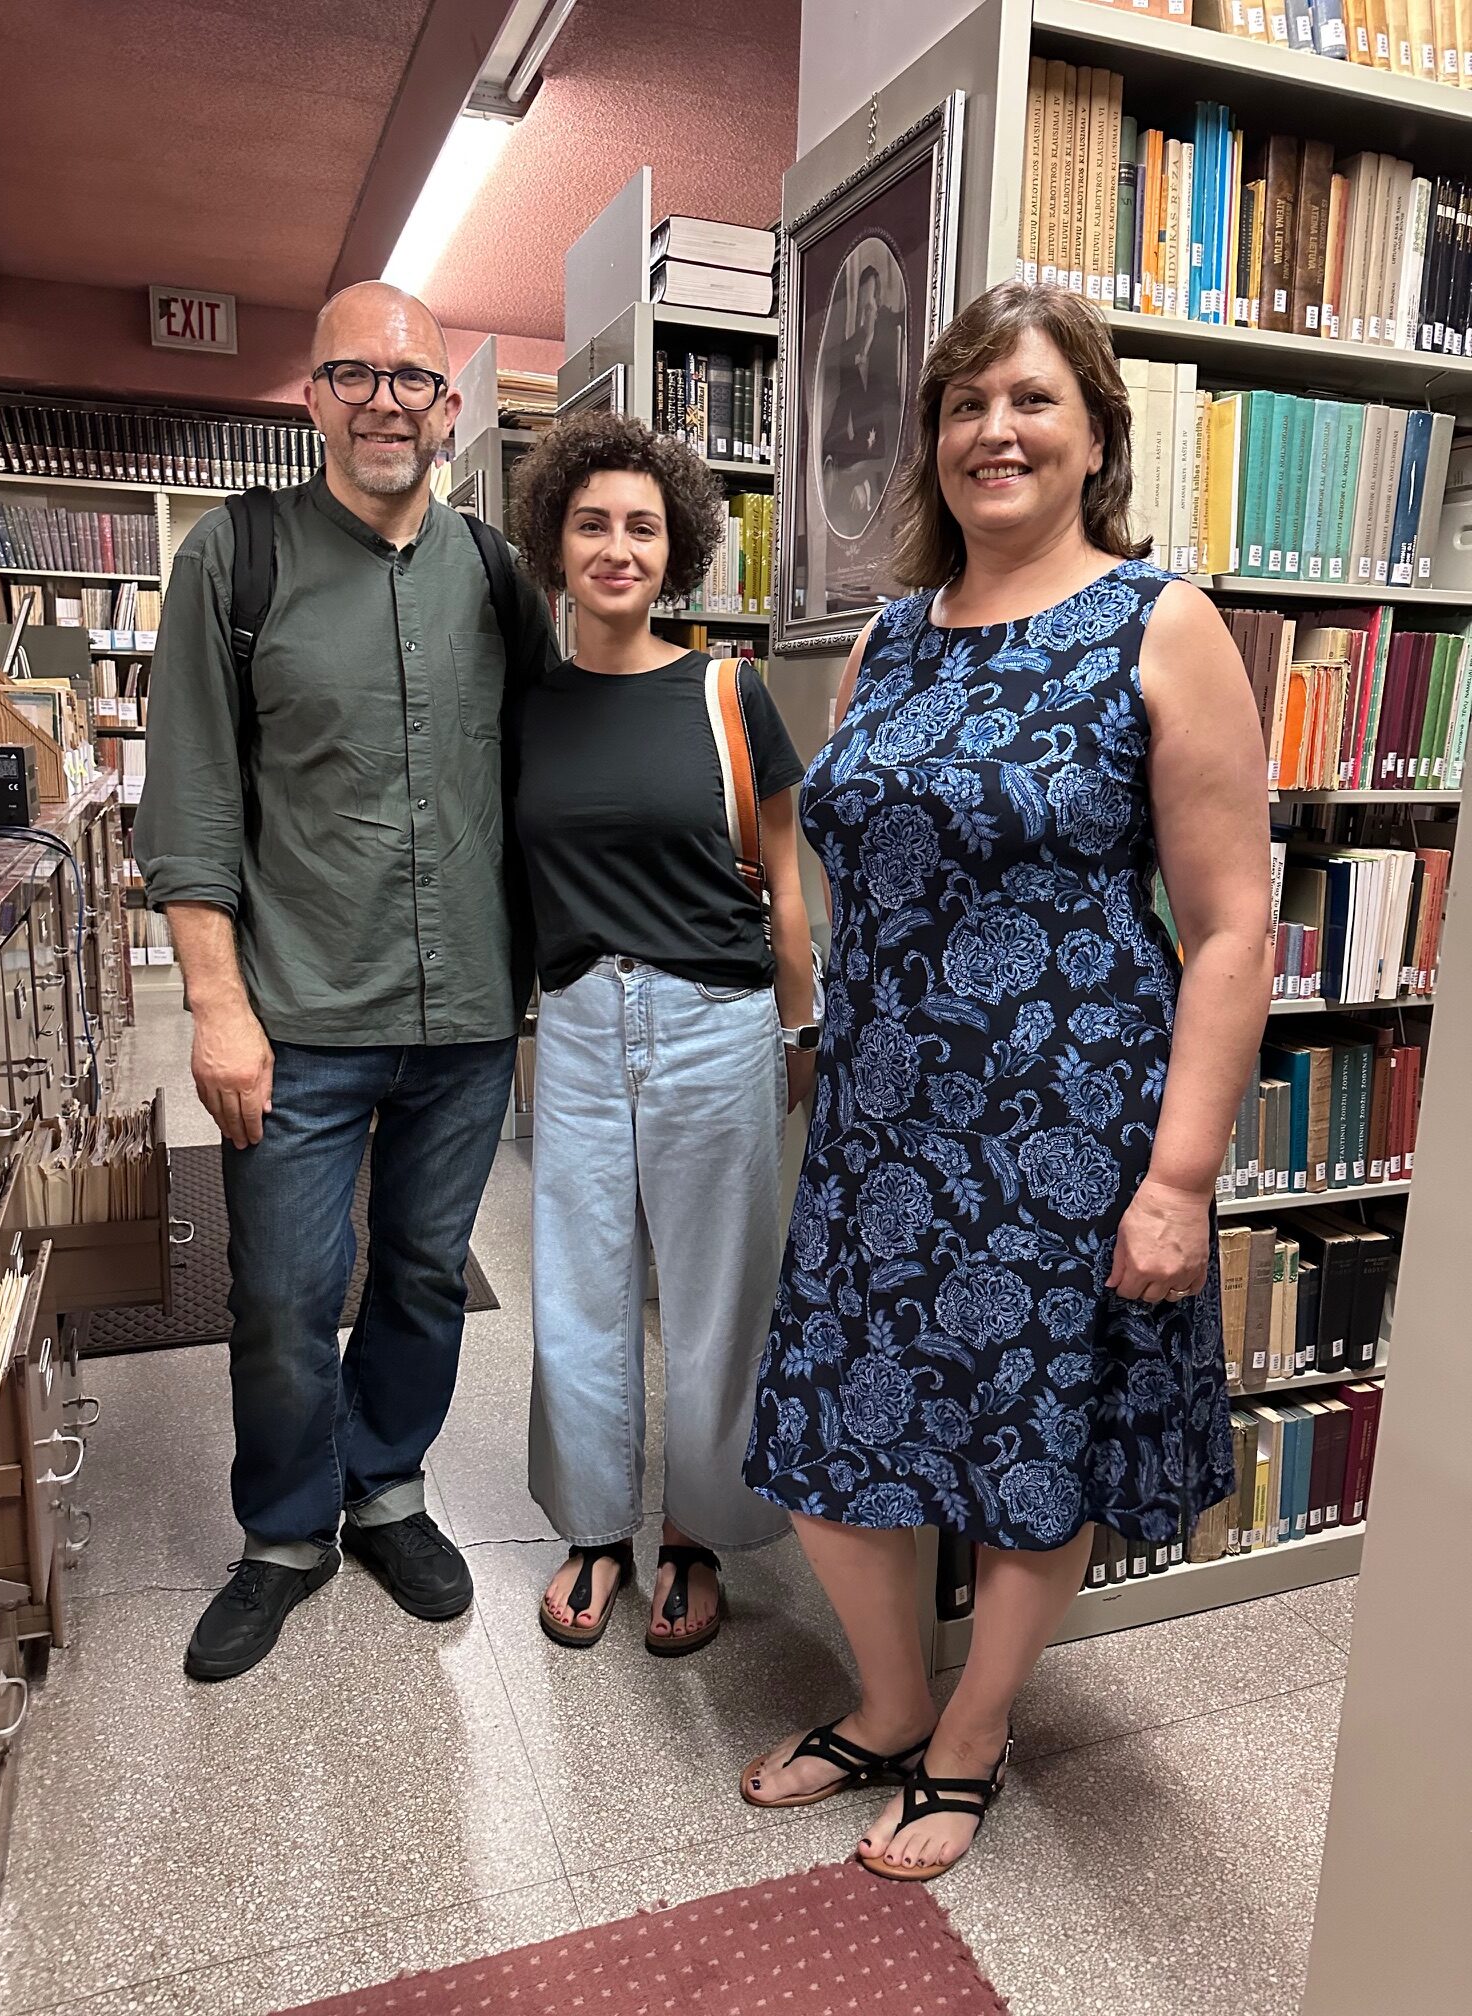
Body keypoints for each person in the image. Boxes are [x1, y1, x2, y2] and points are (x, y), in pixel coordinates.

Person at [741, 281, 1273, 1878]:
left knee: (1031, 1448)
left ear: (1096, 432)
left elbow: (1234, 926)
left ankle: (973, 1735)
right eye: (966, 404)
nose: (995, 430)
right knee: (833, 1433)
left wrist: (1177, 1178)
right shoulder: (890, 641)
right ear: (934, 440)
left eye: (1033, 400)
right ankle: (892, 1700)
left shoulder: (1156, 622)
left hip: (1070, 1130)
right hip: (880, 1121)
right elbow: (848, 860)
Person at [136, 281, 558, 1682]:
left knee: (429, 1274)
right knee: (282, 1287)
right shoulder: (235, 560)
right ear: (310, 397)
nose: (387, 399)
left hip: (467, 1019)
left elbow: (555, 773)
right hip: (297, 1017)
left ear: (451, 408)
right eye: (353, 374)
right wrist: (214, 1006)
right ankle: (282, 1534)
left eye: (414, 378)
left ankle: (386, 1490)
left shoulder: (497, 576)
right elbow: (190, 801)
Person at [510, 412, 816, 1656]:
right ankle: (593, 1528)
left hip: (716, 1024)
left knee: (714, 1298)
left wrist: (802, 1034)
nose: (617, 547)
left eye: (642, 525)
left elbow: (788, 885)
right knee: (577, 1293)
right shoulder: (526, 706)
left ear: (678, 543)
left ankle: (695, 1532)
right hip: (577, 1024)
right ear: (557, 542)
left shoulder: (726, 692)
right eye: (592, 523)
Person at [821, 262, 904, 533]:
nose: (864, 318)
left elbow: (897, 429)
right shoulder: (849, 352)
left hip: (888, 461)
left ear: (878, 306)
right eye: (860, 311)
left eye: (869, 309)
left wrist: (868, 483)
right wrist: (827, 457)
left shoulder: (890, 339)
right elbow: (841, 410)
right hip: (858, 457)